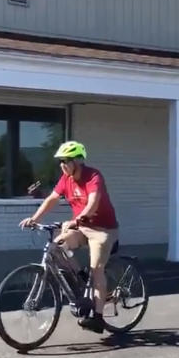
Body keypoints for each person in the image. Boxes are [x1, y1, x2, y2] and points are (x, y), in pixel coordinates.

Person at [19, 140, 119, 334]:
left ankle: (98, 319)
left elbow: (93, 203)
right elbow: (51, 199)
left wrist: (79, 218)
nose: (62, 165)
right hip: (81, 227)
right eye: (60, 162)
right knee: (56, 247)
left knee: (97, 269)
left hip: (103, 229)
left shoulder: (93, 176)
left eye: (66, 161)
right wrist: (34, 218)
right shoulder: (66, 179)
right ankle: (81, 277)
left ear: (78, 161)